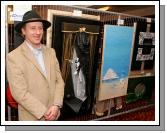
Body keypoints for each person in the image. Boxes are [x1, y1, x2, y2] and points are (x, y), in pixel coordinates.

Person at [6, 10, 64, 121]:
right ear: (23, 31)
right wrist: (44, 112)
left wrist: (56, 105)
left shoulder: (51, 52)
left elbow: (59, 81)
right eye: (33, 28)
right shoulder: (13, 57)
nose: (38, 32)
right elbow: (20, 93)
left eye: (40, 28)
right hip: (32, 117)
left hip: (55, 113)